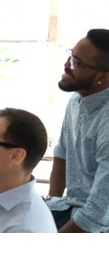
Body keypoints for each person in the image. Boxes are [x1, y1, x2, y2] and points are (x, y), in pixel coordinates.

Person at [47, 29, 109, 233]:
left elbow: (96, 213)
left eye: (78, 63)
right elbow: (62, 152)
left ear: (104, 77)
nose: (67, 65)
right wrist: (52, 204)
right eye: (71, 55)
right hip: (72, 212)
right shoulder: (76, 100)